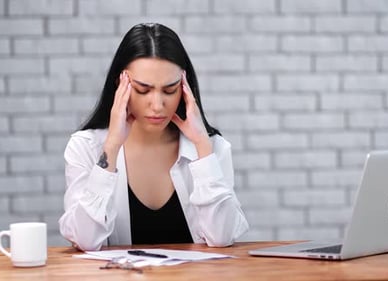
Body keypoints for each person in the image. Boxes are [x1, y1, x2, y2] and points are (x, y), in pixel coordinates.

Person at [59, 23, 249, 251]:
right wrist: (111, 146)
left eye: (170, 90)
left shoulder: (211, 147)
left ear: (185, 88)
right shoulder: (87, 147)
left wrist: (202, 148)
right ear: (121, 85)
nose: (158, 105)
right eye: (142, 90)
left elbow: (222, 237)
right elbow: (85, 240)